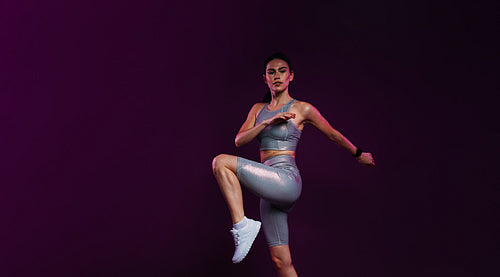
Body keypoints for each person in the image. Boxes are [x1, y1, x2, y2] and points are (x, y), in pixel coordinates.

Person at [212, 52, 375, 277]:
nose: (277, 76)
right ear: (265, 78)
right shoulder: (258, 109)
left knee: (221, 162)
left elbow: (333, 134)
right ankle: (245, 226)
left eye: (282, 71)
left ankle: (242, 225)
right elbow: (240, 140)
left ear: (291, 76)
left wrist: (358, 154)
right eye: (271, 72)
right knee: (281, 262)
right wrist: (268, 122)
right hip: (269, 188)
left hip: (286, 180)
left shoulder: (302, 108)